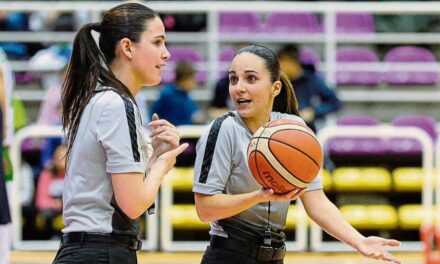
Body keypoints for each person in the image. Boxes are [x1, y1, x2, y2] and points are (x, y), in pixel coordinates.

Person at [193, 45, 401, 264]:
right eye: (233, 79)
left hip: (275, 257)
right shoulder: (222, 129)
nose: (239, 88)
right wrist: (259, 196)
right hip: (229, 256)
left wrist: (359, 241)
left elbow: (316, 201)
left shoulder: (294, 128)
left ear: (275, 88)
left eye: (251, 79)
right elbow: (205, 209)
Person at [52, 3, 188, 264]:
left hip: (88, 249)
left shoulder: (100, 98)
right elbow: (133, 204)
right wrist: (162, 165)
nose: (167, 54)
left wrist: (153, 158)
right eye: (157, 42)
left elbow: (114, 194)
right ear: (127, 47)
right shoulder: (116, 104)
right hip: (100, 251)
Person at [277, 44, 341, 132]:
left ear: (291, 62)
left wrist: (314, 111)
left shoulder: (312, 79)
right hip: (280, 127)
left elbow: (335, 102)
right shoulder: (277, 81)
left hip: (306, 128)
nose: (280, 68)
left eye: (282, 63)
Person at [150, 61, 205, 126]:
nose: (194, 82)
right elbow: (154, 114)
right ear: (184, 78)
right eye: (192, 79)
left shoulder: (187, 95)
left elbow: (195, 113)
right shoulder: (167, 94)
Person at [35, 144, 67, 238]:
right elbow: (40, 200)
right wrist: (54, 204)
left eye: (65, 157)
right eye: (59, 157)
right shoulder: (46, 175)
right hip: (51, 212)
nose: (62, 160)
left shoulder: (75, 175)